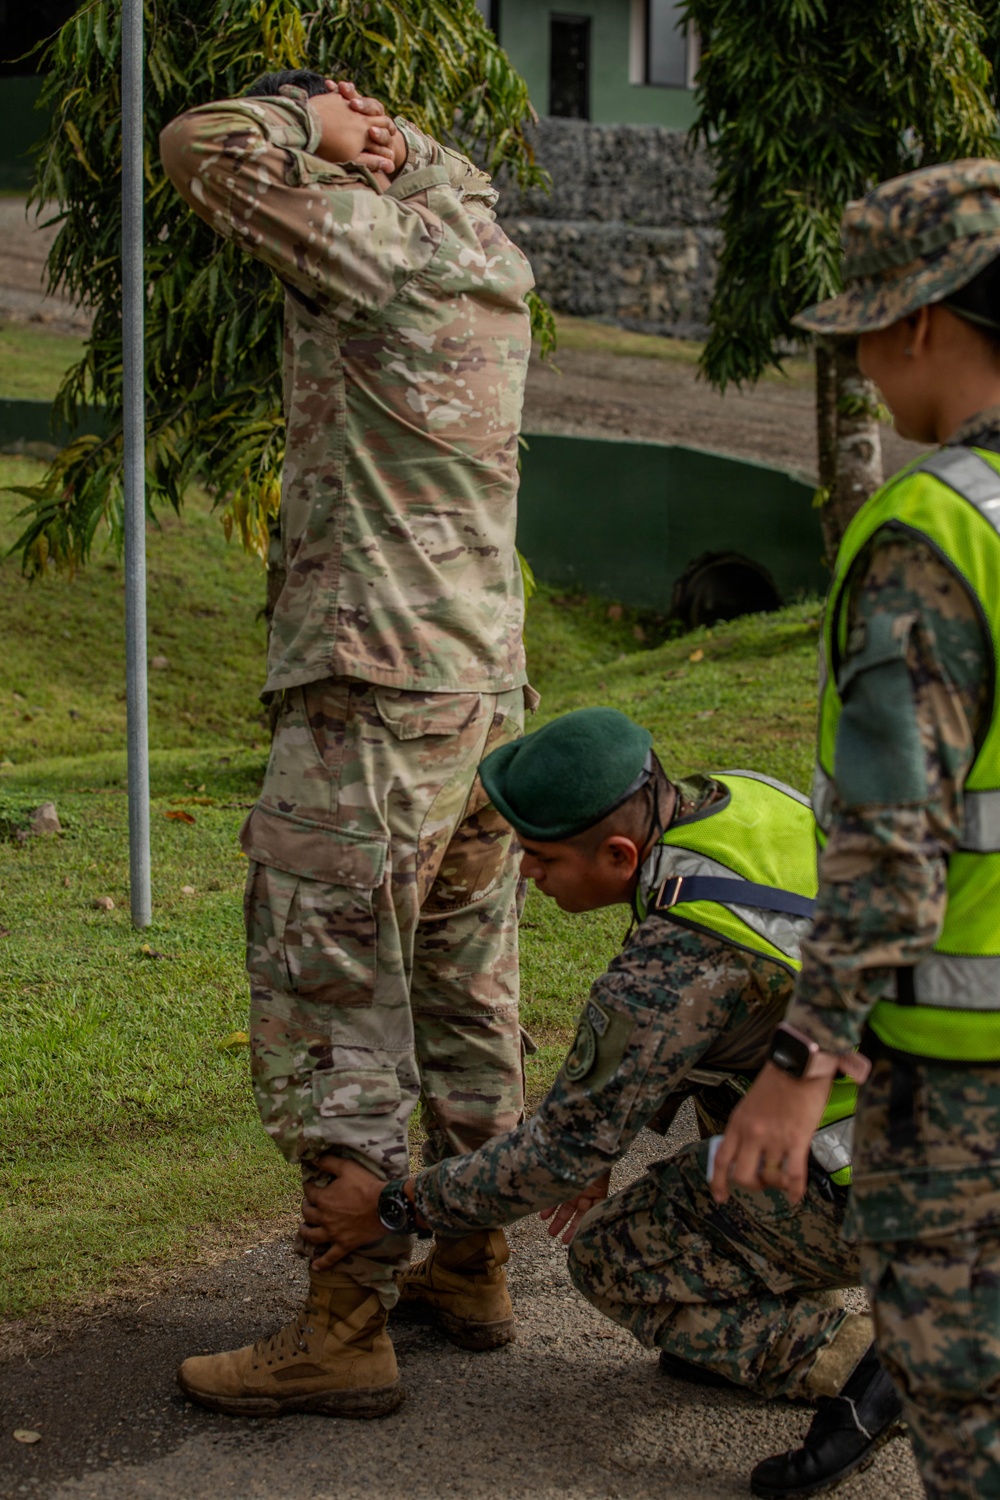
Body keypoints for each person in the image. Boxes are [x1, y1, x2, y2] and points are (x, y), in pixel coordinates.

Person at [159, 68, 537, 1418]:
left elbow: (199, 147)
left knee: (335, 1006)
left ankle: (342, 1323)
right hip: (478, 688)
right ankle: (472, 1259)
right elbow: (444, 178)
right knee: (457, 986)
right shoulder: (484, 250)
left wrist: (306, 123)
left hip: (370, 686)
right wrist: (391, 132)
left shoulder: (370, 250)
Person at [296, 707, 905, 1496]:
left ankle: (870, 1356)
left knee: (616, 1257)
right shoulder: (740, 801)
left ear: (619, 853)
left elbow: (554, 1154)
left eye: (540, 857)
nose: (524, 873)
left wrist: (391, 1206)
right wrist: (607, 1135)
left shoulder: (674, 959)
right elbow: (726, 1003)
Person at [710, 159, 1000, 1500]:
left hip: (962, 1086)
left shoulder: (930, 535)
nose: (870, 371)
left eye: (870, 332)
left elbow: (894, 840)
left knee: (972, 1422)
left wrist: (805, 1055)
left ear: (926, 318)